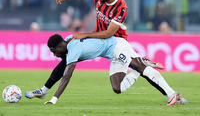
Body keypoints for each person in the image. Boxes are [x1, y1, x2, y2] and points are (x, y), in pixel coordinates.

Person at [24, 0, 168, 102]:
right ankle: (43, 90)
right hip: (99, 39)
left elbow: (109, 33)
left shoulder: (121, 7)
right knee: (67, 61)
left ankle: (168, 91)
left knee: (140, 68)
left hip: (115, 41)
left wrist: (85, 34)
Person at [24, 34, 188, 105]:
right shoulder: (68, 41)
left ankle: (172, 94)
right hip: (111, 55)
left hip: (117, 46)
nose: (54, 55)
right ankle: (141, 64)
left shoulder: (73, 50)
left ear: (60, 46)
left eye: (55, 51)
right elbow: (61, 68)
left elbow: (66, 77)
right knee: (118, 88)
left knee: (144, 70)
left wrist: (54, 99)